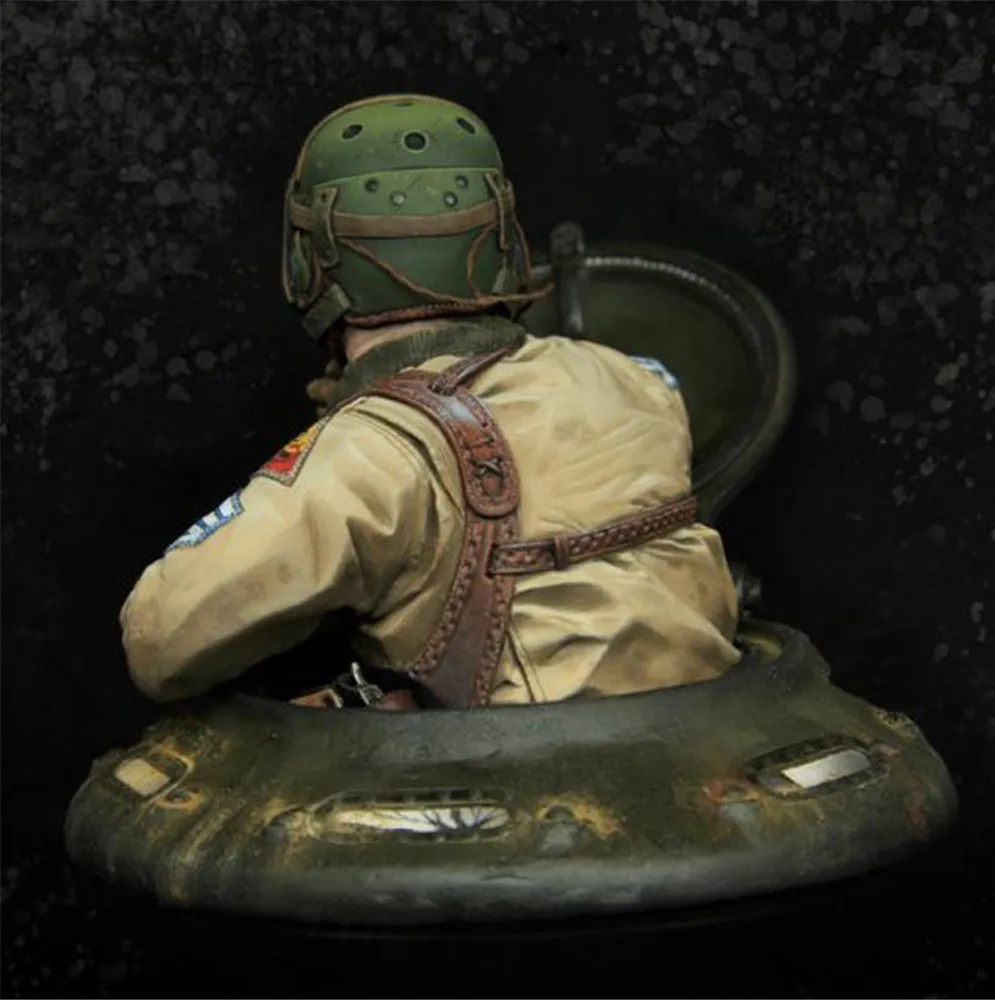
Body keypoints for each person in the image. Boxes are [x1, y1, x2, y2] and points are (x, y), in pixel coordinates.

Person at [121, 94, 740, 709]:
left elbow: (160, 640)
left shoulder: (371, 450)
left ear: (311, 262)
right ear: (503, 238)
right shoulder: (636, 380)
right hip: (707, 735)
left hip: (514, 765)